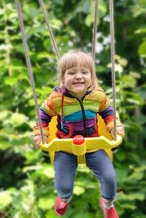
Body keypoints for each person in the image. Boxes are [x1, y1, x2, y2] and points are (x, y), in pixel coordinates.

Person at [33, 50, 124, 217]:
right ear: (62, 77)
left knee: (109, 178)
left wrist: (114, 127)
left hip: (93, 144)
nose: (78, 76)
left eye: (84, 72)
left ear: (91, 76)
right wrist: (41, 134)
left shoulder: (98, 96)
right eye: (71, 72)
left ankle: (108, 204)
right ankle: (64, 198)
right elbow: (42, 116)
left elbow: (108, 112)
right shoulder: (56, 99)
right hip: (65, 146)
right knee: (64, 184)